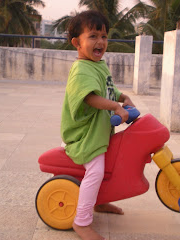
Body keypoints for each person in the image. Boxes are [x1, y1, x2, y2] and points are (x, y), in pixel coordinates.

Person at [61, 10, 135, 240]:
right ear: (77, 43)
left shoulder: (99, 65)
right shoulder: (82, 69)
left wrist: (122, 98)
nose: (100, 42)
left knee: (111, 164)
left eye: (104, 36)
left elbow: (106, 89)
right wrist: (114, 107)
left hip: (98, 132)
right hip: (84, 136)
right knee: (96, 171)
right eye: (93, 36)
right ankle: (81, 222)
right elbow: (90, 97)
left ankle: (99, 203)